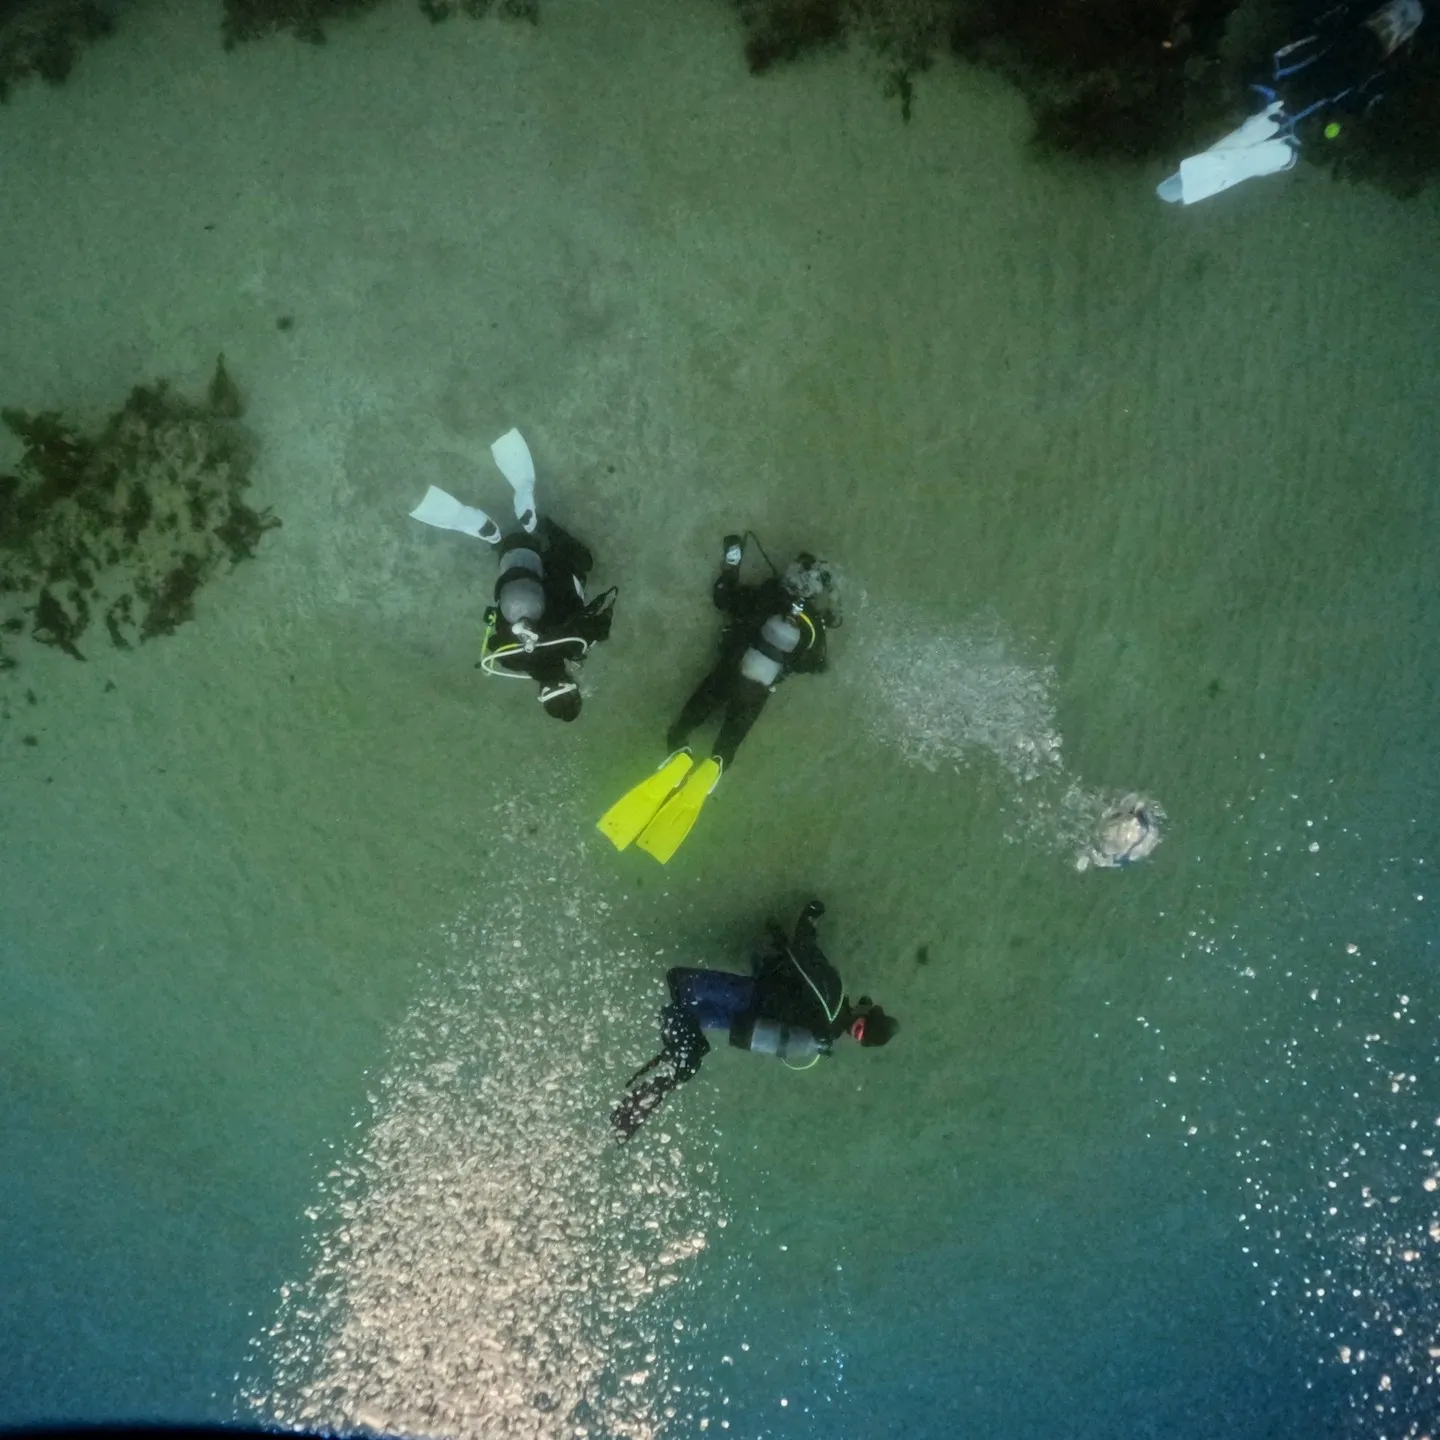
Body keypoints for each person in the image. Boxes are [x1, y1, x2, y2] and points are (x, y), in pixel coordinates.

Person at [597, 535, 836, 861]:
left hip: (729, 674)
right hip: (756, 693)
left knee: (682, 727)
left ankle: (680, 756)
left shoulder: (769, 595)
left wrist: (731, 567)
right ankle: (713, 768)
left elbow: (724, 598)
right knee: (729, 742)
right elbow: (817, 664)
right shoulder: (812, 629)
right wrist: (822, 624)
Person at [610, 900, 897, 1141]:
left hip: (749, 997)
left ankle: (685, 1053)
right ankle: (670, 1073)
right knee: (691, 1014)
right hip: (743, 1026)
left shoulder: (832, 996)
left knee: (681, 982)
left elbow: (803, 954)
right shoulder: (822, 1041)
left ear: (866, 1010)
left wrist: (809, 916)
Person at [409, 427, 614, 721]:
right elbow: (493, 641)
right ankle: (489, 534)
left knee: (585, 561)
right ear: (541, 693)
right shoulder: (509, 660)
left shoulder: (575, 642)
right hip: (510, 566)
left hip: (547, 563)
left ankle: (535, 525)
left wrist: (590, 637)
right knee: (514, 569)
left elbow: (600, 623)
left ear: (571, 686)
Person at [1157, 0, 1424, 204]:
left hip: (1295, 130)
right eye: (1393, 20)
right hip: (1280, 106)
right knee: (1261, 133)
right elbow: (1290, 61)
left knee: (1278, 151)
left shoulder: (1373, 76)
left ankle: (1221, 165)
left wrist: (1333, 131)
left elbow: (1355, 108)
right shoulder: (1336, 39)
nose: (1392, 26)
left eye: (1398, 28)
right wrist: (1270, 93)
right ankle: (1224, 160)